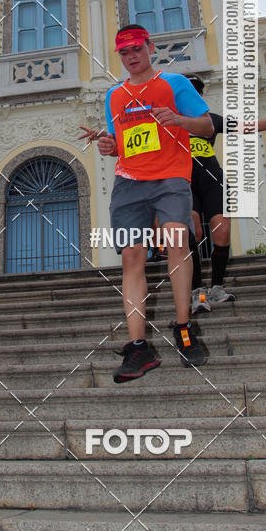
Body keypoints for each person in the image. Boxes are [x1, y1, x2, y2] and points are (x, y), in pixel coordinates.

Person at [80, 24, 214, 382]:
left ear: (150, 46)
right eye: (124, 53)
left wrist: (180, 119)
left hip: (171, 177)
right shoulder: (115, 95)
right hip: (129, 182)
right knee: (131, 258)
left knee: (175, 240)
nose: (131, 57)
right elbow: (121, 142)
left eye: (137, 49)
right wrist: (109, 147)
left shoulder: (174, 84)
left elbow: (206, 127)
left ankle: (184, 328)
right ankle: (138, 347)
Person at [186, 74, 266, 313]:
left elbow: (247, 126)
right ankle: (196, 292)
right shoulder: (172, 121)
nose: (194, 95)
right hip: (184, 183)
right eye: (189, 91)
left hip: (213, 180)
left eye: (197, 91)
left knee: (222, 232)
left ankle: (217, 287)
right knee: (194, 232)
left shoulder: (211, 121)